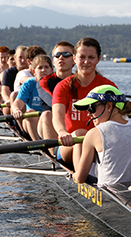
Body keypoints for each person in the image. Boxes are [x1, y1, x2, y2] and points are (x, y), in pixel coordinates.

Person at [52, 37, 118, 170]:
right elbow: (57, 116)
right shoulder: (63, 86)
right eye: (82, 57)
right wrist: (62, 132)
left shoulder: (107, 86)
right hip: (69, 144)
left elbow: (118, 116)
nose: (86, 62)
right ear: (75, 59)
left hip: (99, 144)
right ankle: (81, 176)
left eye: (91, 57)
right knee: (81, 133)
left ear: (98, 59)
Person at [36, 41, 75, 154]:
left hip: (72, 124)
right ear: (53, 61)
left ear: (74, 60)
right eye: (57, 55)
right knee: (47, 114)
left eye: (66, 55)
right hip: (48, 126)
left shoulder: (80, 81)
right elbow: (54, 103)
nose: (61, 57)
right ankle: (54, 154)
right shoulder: (44, 82)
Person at [12, 54, 53, 141]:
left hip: (48, 120)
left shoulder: (57, 84)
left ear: (52, 70)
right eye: (40, 67)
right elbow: (17, 103)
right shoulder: (29, 84)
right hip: (32, 122)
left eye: (46, 67)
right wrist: (16, 110)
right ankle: (38, 144)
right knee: (30, 112)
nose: (43, 70)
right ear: (34, 71)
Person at [1, 46, 28, 115]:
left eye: (25, 57)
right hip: (13, 99)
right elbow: (4, 91)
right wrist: (7, 99)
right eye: (20, 57)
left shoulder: (34, 71)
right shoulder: (9, 72)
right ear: (15, 58)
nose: (23, 60)